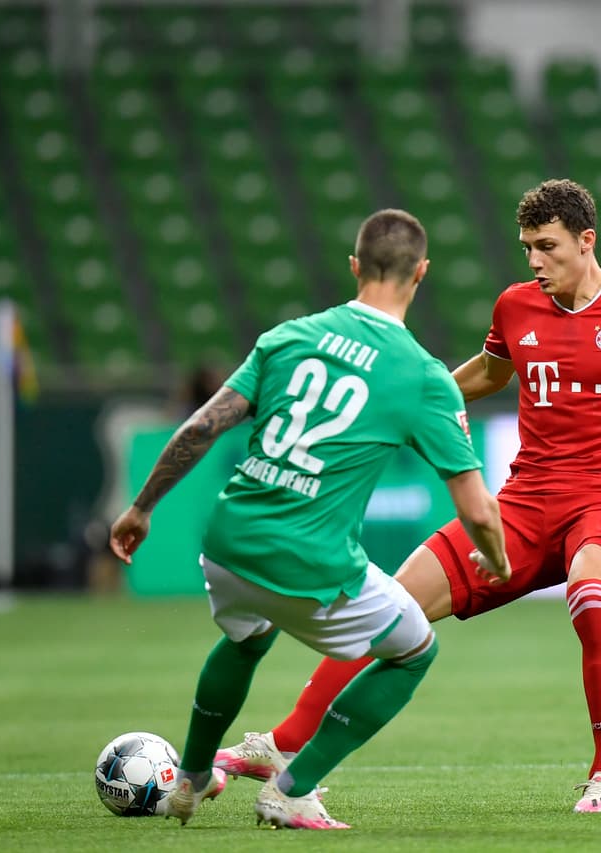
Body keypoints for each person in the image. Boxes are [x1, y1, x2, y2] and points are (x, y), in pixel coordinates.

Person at [214, 178, 601, 813]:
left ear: (587, 242)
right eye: (527, 247)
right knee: (390, 604)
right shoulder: (517, 307)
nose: (535, 261)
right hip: (525, 501)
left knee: (590, 596)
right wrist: (423, 402)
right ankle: (281, 743)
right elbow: (491, 371)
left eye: (548, 246)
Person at [108, 208, 511, 830]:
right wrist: (500, 559)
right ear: (421, 273)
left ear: (354, 266)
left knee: (246, 638)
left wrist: (141, 508)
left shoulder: (287, 337)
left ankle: (189, 776)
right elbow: (477, 506)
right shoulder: (423, 375)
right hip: (310, 560)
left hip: (229, 542)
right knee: (414, 650)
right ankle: (293, 787)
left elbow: (201, 427)